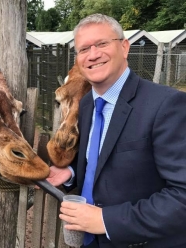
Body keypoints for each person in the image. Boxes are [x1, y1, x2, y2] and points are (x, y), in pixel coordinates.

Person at [47, 13, 186, 248]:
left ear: (124, 47)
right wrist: (71, 174)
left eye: (102, 44)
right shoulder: (89, 104)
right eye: (84, 49)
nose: (93, 54)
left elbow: (181, 197)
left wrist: (106, 220)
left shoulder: (167, 105)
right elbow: (102, 162)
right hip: (89, 241)